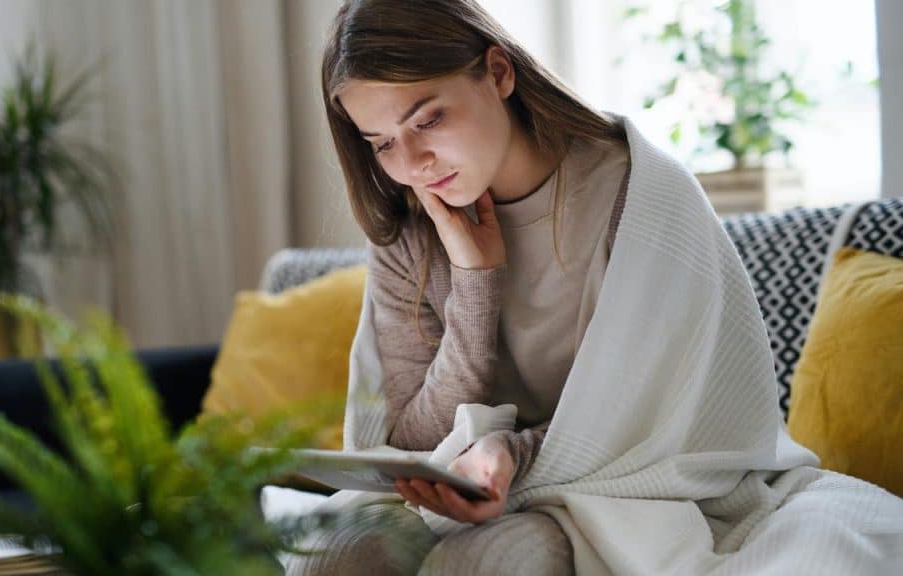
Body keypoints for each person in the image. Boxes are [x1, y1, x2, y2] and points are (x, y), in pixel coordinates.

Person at [288, 1, 903, 575]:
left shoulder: (641, 197)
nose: (414, 162)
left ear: (497, 72)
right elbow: (408, 446)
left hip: (632, 486)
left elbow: (657, 426)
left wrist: (509, 455)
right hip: (474, 486)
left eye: (429, 119)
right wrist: (475, 284)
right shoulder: (408, 228)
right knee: (335, 552)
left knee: (492, 559)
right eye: (384, 143)